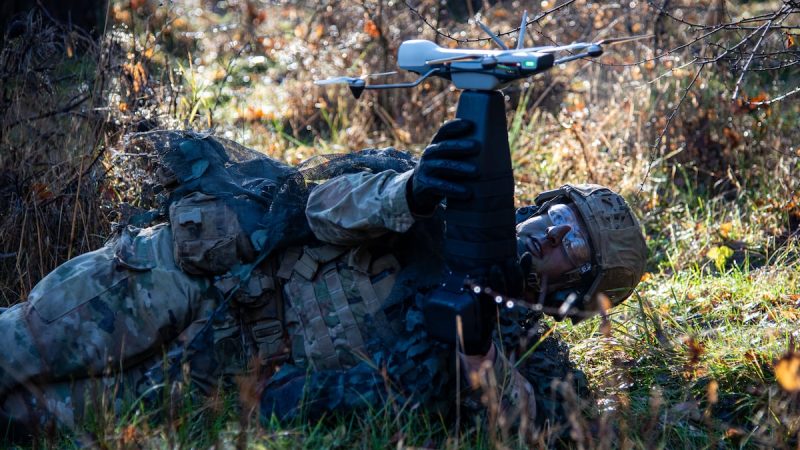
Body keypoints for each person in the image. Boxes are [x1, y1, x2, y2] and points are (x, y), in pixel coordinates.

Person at [0, 120, 647, 439]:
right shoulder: (450, 199)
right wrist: (410, 192)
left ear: (577, 290)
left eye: (571, 244)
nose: (549, 234)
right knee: (15, 347)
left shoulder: (530, 351)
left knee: (25, 416)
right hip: (189, 277)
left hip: (222, 377)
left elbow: (535, 430)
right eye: (556, 217)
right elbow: (319, 204)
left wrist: (480, 353)